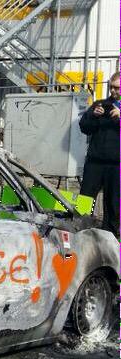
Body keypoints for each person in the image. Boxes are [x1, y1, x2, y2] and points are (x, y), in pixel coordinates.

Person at [79, 71, 120, 236]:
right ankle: (80, 230)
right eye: (111, 87)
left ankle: (109, 236)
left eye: (117, 88)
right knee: (85, 199)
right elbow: (84, 127)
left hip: (117, 165)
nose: (113, 91)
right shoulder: (100, 104)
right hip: (95, 162)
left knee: (113, 203)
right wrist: (93, 116)